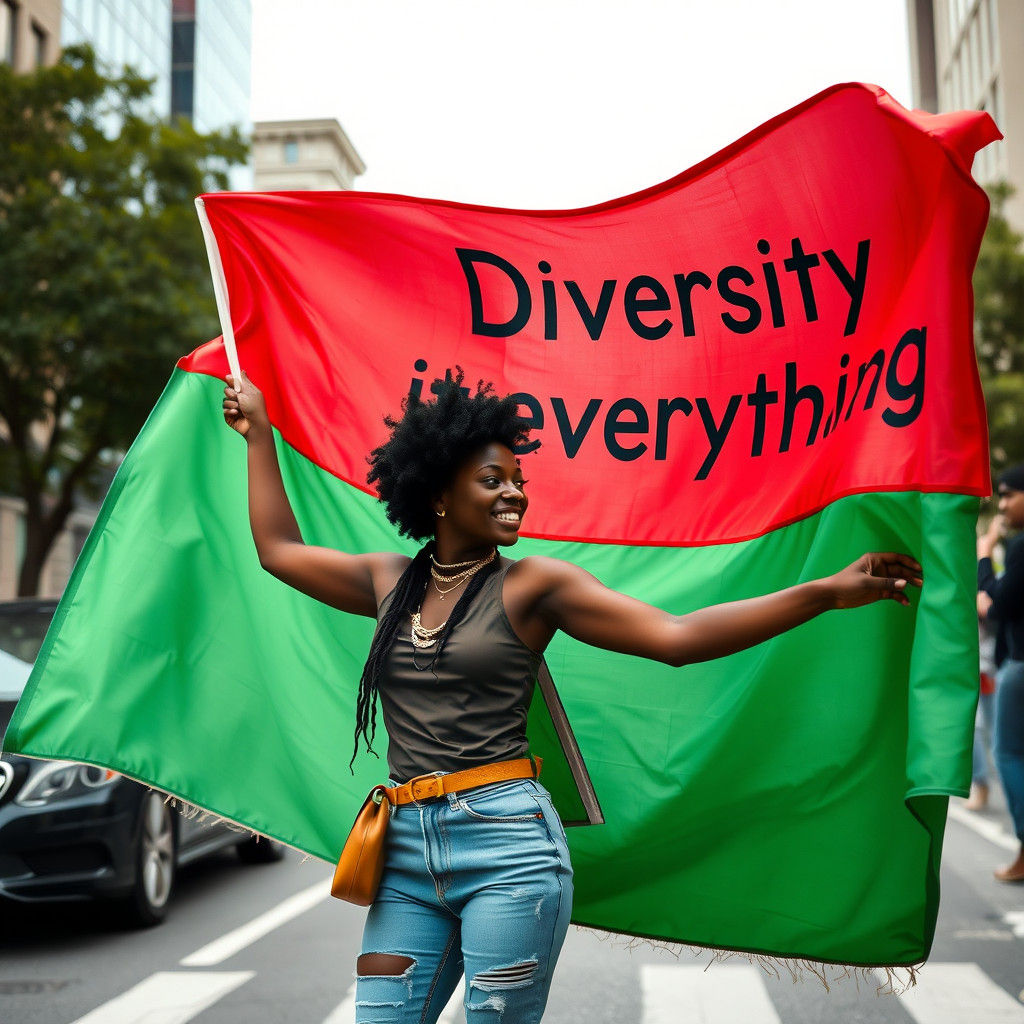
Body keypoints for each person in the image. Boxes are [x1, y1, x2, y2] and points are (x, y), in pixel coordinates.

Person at [222, 368, 922, 1024]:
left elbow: (676, 637)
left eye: (519, 481)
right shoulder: (387, 581)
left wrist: (825, 592)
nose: (515, 493)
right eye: (492, 479)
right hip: (404, 851)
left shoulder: (534, 588)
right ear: (438, 492)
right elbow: (278, 550)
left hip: (508, 851)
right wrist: (259, 435)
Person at [978, 463, 1024, 882]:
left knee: (1007, 751)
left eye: (1009, 495)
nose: (1003, 504)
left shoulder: (1021, 547)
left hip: (1020, 664)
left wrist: (983, 554)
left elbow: (995, 605)